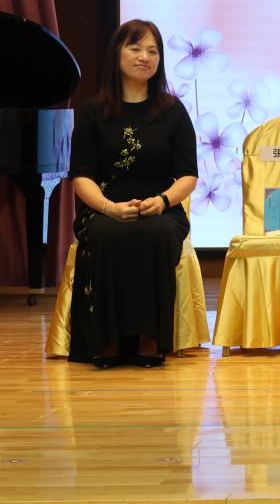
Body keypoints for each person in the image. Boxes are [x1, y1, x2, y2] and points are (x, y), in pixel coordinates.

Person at [67, 19, 198, 368]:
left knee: (156, 233)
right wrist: (109, 207)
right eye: (136, 48)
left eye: (153, 51)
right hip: (104, 206)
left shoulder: (173, 111)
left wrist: (164, 201)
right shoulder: (93, 111)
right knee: (107, 233)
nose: (145, 57)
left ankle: (149, 339)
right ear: (117, 54)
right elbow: (81, 176)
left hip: (161, 207)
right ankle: (106, 341)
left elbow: (188, 175)